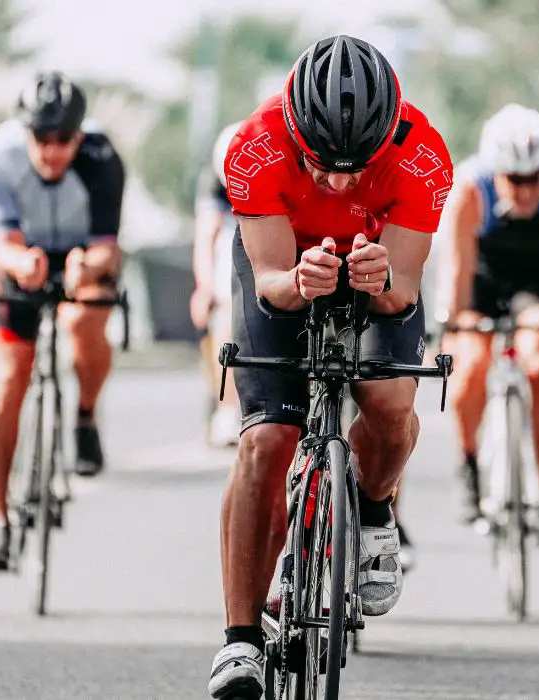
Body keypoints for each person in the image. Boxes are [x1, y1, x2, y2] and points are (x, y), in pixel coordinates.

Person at [207, 35, 452, 699]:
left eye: (358, 167)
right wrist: (298, 278)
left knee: (389, 399)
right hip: (289, 270)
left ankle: (375, 514)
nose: (341, 181)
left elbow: (403, 287)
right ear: (293, 132)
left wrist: (382, 279)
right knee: (264, 442)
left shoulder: (423, 155)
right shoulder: (255, 148)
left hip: (376, 272)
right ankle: (239, 643)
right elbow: (268, 283)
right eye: (322, 165)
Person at [0, 71, 126, 571]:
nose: (52, 151)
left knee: (87, 319)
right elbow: (1, 244)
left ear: (80, 135)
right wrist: (24, 266)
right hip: (20, 259)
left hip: (82, 258)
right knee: (7, 376)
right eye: (41, 138)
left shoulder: (102, 159)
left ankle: (84, 414)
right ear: (25, 132)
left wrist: (88, 266)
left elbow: (109, 249)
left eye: (64, 140)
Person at [437, 103, 539, 545]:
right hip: (483, 282)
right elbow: (457, 268)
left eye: (536, 179)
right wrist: (449, 334)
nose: (527, 191)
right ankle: (467, 464)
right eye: (515, 180)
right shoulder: (470, 190)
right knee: (470, 363)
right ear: (495, 173)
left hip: (535, 283)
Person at [192, 121, 244, 447]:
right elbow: (206, 237)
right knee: (224, 316)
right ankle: (226, 407)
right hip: (231, 243)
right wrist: (205, 288)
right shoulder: (213, 182)